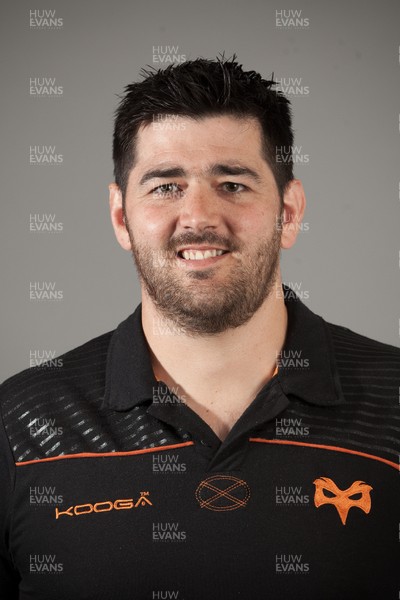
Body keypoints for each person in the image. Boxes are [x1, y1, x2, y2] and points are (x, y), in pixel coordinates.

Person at [0, 55, 399, 600]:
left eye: (233, 184)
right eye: (166, 187)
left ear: (289, 211)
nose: (199, 217)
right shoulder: (21, 424)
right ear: (121, 217)